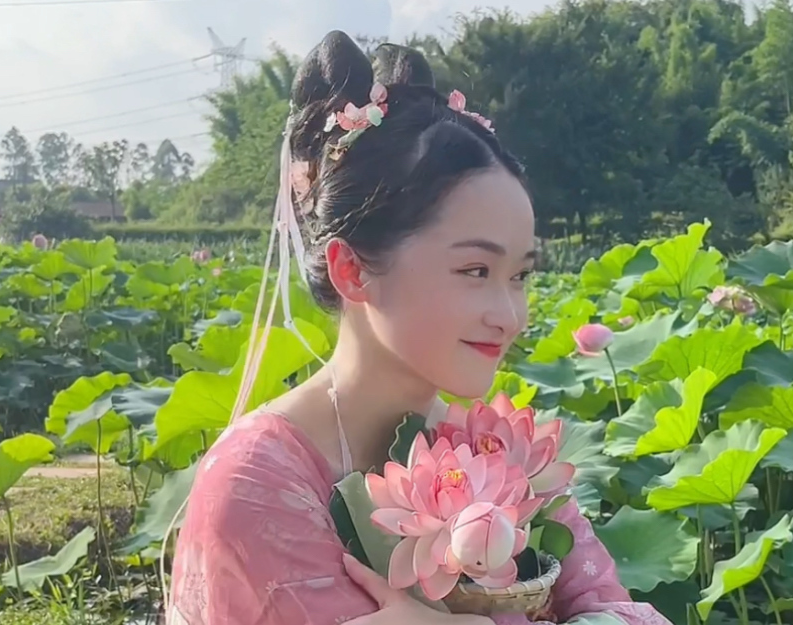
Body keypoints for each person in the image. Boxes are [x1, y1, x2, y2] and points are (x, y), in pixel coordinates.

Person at [168, 30, 670, 625]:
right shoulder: (256, 481)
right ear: (352, 269)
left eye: (519, 276)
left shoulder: (497, 452)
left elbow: (613, 606)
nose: (509, 315)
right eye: (475, 270)